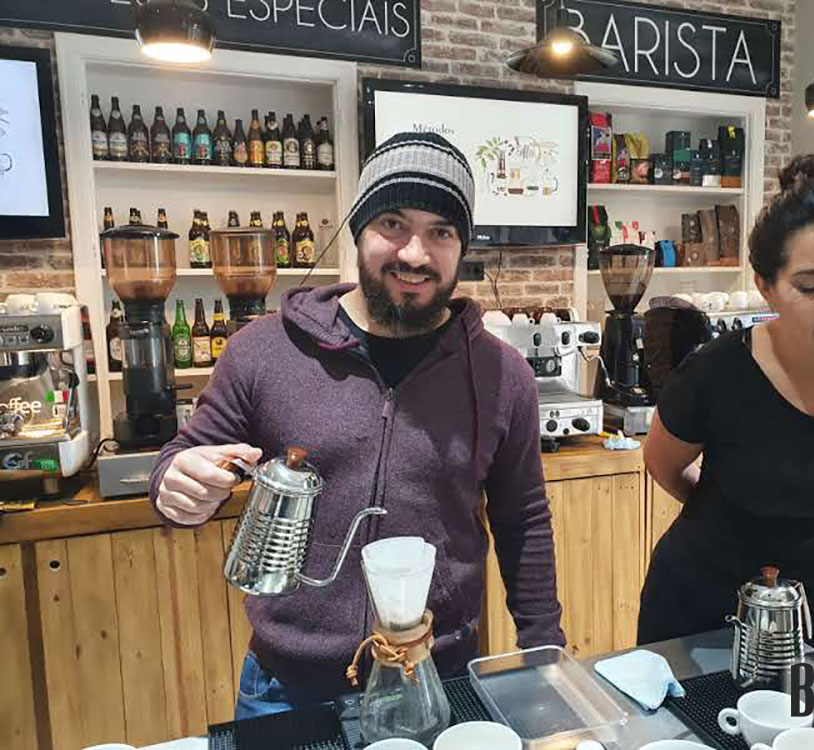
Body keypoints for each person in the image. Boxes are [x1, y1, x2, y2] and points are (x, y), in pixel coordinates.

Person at [149, 132, 565, 717]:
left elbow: (523, 520)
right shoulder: (264, 351)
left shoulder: (502, 374)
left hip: (436, 677)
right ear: (358, 230)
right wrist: (174, 483)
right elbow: (183, 458)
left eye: (441, 231)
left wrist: (544, 653)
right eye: (393, 224)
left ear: (461, 246)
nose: (415, 254)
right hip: (286, 688)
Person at [638, 154, 814, 651]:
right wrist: (728, 513)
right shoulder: (715, 372)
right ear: (766, 287)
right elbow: (662, 464)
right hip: (705, 610)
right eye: (811, 285)